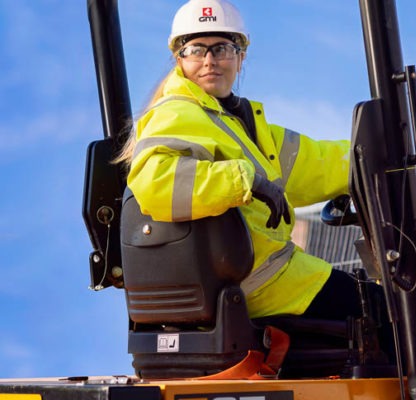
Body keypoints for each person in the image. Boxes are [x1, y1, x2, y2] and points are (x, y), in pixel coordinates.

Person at [117, 0, 378, 327]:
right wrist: (245, 180)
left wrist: (382, 157)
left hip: (268, 275)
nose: (210, 61)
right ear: (179, 58)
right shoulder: (174, 113)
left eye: (223, 48)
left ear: (241, 57)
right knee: (385, 313)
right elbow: (154, 184)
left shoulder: (238, 124)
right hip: (253, 283)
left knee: (375, 304)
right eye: (197, 49)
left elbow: (315, 163)